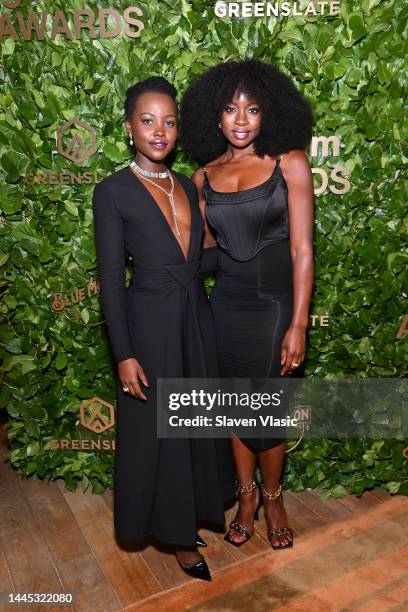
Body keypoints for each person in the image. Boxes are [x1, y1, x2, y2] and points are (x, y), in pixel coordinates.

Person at [92, 76, 235, 581]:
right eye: (148, 121)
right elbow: (111, 278)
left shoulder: (186, 185)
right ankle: (177, 540)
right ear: (130, 129)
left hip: (194, 318)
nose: (159, 131)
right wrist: (123, 353)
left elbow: (196, 262)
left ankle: (188, 514)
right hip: (148, 324)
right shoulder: (111, 191)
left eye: (168, 121)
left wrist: (257, 252)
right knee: (163, 434)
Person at [181, 60, 314, 549]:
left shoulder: (290, 162)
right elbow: (211, 250)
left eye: (252, 109)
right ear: (215, 118)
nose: (240, 119)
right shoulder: (203, 177)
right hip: (227, 306)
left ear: (267, 114)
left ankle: (274, 496)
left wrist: (298, 322)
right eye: (230, 109)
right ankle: (246, 496)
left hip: (274, 306)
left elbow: (302, 250)